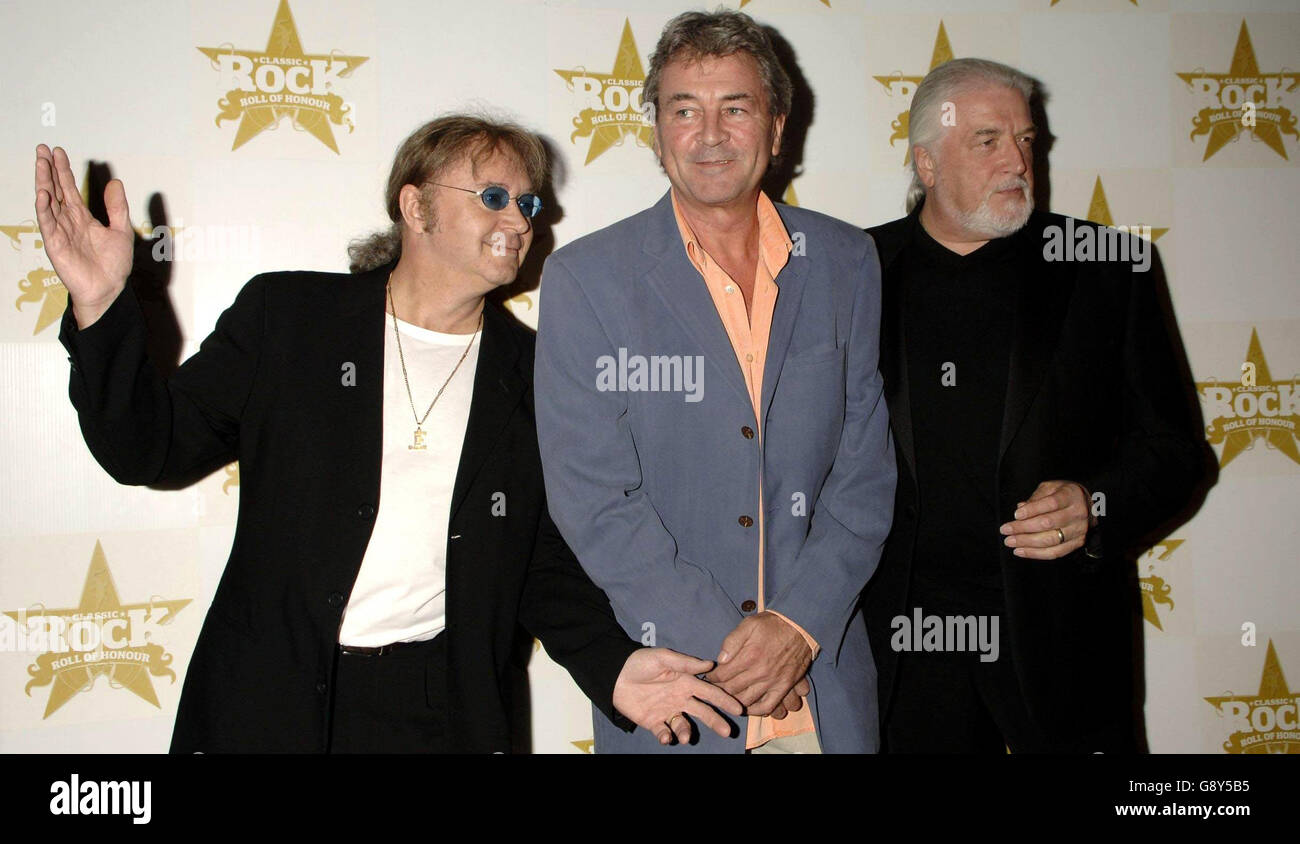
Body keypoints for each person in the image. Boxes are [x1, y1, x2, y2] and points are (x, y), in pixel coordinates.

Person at [36, 114, 742, 753]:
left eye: (528, 204)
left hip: (436, 713)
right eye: (493, 196)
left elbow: (536, 563)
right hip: (268, 702)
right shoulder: (288, 321)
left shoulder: (535, 374)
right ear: (415, 205)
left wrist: (610, 665)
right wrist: (101, 307)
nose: (520, 221)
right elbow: (149, 449)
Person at [534, 10, 896, 754]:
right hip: (683, 697)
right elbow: (594, 499)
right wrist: (740, 654)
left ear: (777, 126)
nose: (709, 134)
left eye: (735, 108)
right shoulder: (586, 279)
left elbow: (864, 474)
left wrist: (798, 627)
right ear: (657, 129)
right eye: (684, 110)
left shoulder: (846, 261)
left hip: (822, 692)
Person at [862, 58, 1211, 753]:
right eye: (987, 140)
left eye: (1026, 140)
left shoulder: (1110, 270)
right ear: (926, 162)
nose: (1017, 160)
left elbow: (1176, 453)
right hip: (901, 655)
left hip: (1064, 644)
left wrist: (1097, 502)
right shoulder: (853, 273)